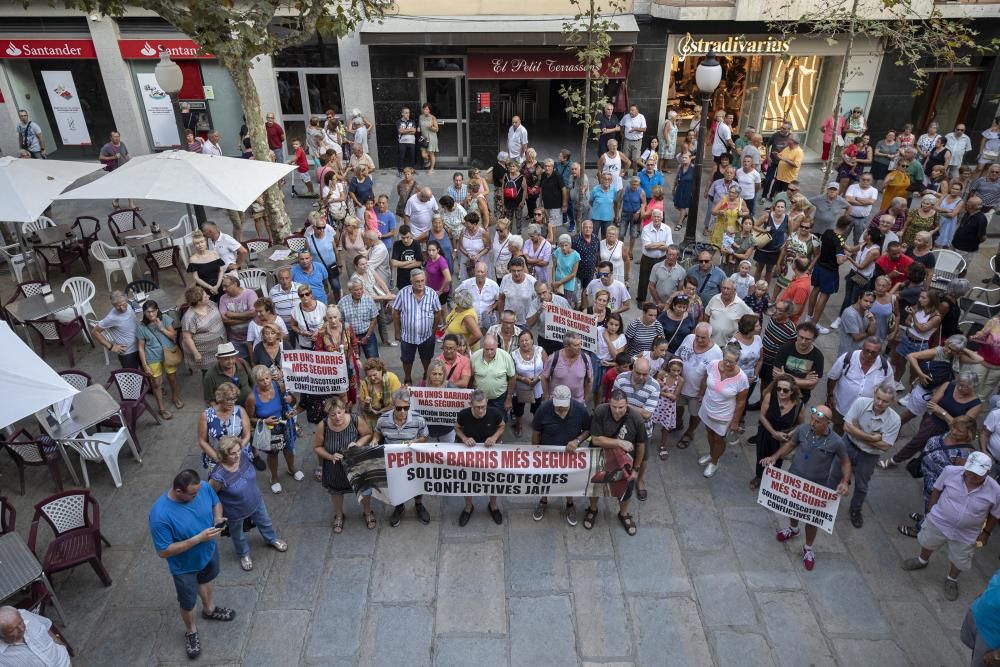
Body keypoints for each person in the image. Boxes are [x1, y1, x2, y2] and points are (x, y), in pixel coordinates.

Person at [149, 469, 236, 659]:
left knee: (207, 580)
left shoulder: (203, 487)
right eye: (193, 494)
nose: (197, 496)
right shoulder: (160, 515)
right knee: (188, 602)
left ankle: (210, 610)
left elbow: (216, 503)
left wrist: (218, 518)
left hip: (208, 552)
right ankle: (191, 631)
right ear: (178, 491)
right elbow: (163, 551)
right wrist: (197, 539)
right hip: (184, 567)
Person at [901, 451, 1000, 601]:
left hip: (967, 533)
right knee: (928, 541)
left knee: (960, 558)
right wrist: (932, 509)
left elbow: (995, 514)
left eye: (977, 474)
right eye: (970, 472)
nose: (971, 476)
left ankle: (952, 579)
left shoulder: (995, 490)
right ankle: (922, 560)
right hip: (939, 521)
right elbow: (937, 489)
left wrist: (986, 533)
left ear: (987, 472)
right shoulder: (950, 472)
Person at [761, 404, 850, 571]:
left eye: (818, 421)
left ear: (827, 423)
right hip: (795, 480)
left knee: (811, 519)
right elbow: (791, 445)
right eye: (812, 419)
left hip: (816, 487)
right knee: (792, 508)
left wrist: (844, 481)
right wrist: (775, 457)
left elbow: (845, 462)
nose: (813, 423)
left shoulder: (836, 442)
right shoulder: (802, 429)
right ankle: (793, 528)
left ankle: (808, 548)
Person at [208, 436, 287, 572]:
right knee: (237, 534)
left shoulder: (243, 456)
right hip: (234, 510)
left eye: (238, 451)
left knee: (265, 522)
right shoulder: (218, 476)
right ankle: (243, 554)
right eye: (232, 453)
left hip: (255, 499)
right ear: (223, 454)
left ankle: (271, 539)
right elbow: (211, 496)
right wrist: (218, 516)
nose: (237, 455)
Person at [586, 389, 646, 536]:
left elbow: (641, 445)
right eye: (614, 406)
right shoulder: (600, 411)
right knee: (594, 486)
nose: (617, 411)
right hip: (600, 455)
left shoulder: (636, 419)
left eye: (621, 407)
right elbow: (596, 439)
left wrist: (636, 470)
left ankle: (623, 514)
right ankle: (593, 509)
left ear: (627, 405)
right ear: (609, 404)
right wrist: (619, 443)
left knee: (626, 489)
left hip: (624, 461)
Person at [314, 396, 376, 533]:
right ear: (328, 414)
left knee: (364, 489)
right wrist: (330, 456)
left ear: (344, 410)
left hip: (356, 464)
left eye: (339, 412)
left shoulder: (355, 419)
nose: (337, 417)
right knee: (335, 492)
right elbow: (317, 447)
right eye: (332, 414)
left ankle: (367, 512)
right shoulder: (322, 425)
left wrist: (358, 444)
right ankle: (339, 515)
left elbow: (367, 434)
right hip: (335, 466)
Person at [531, 384, 590, 525]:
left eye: (563, 406)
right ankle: (543, 500)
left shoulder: (580, 410)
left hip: (570, 454)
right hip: (548, 452)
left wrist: (577, 440)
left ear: (570, 400)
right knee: (545, 478)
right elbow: (536, 432)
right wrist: (534, 451)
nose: (561, 408)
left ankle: (570, 504)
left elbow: (588, 430)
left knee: (569, 478)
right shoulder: (544, 409)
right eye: (558, 406)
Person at [695, 343, 749, 477]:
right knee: (709, 433)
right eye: (726, 360)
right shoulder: (713, 364)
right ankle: (712, 453)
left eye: (732, 362)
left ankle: (714, 461)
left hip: (724, 415)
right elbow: (705, 379)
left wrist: (735, 422)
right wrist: (701, 394)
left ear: (737, 362)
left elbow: (741, 401)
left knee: (718, 438)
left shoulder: (742, 378)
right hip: (707, 407)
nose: (728, 364)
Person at [455, 389, 507, 526]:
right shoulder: (463, 414)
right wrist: (464, 438)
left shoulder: (494, 413)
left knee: (493, 479)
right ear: (470, 404)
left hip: (489, 452)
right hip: (470, 453)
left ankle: (493, 506)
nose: (480, 410)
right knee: (467, 480)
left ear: (487, 403)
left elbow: (502, 426)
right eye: (477, 407)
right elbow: (457, 428)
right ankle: (468, 507)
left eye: (483, 407)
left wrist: (494, 437)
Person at [825, 337, 892, 432]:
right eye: (867, 351)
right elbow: (832, 377)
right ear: (862, 348)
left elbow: (889, 388)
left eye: (873, 353)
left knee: (857, 431)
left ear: (879, 353)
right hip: (841, 405)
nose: (869, 355)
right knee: (838, 427)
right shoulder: (848, 358)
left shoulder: (885, 366)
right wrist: (830, 395)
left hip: (865, 411)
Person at [673, 323, 723, 450]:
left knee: (695, 414)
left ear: (710, 337)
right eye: (697, 336)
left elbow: (716, 376)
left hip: (697, 393)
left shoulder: (716, 352)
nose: (699, 340)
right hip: (679, 386)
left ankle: (690, 432)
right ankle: (677, 422)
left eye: (703, 338)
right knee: (678, 406)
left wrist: (704, 393)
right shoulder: (689, 338)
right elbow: (677, 355)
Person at [803, 215, 851, 333]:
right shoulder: (838, 241)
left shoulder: (828, 232)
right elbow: (839, 260)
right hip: (830, 271)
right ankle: (814, 324)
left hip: (819, 266)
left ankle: (808, 317)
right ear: (846, 227)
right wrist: (846, 257)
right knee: (824, 296)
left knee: (815, 290)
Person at [137, 300, 184, 419]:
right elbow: (141, 348)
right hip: (152, 357)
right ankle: (162, 408)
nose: (151, 314)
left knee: (172, 379)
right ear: (144, 313)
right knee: (157, 384)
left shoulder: (165, 319)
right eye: (148, 312)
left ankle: (175, 397)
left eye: (153, 311)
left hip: (168, 353)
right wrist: (144, 365)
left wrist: (161, 328)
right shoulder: (141, 326)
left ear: (157, 310)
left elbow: (173, 336)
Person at [0, 605, 70, 665]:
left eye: (20, 622)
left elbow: (47, 625)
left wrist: (60, 644)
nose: (21, 629)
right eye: (12, 630)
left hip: (64, 661)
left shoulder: (24, 613)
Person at [774, 321, 824, 404]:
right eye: (801, 337)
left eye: (807, 339)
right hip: (780, 392)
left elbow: (812, 385)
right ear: (797, 334)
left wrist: (785, 376)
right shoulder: (785, 348)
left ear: (813, 339)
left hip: (800, 397)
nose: (803, 341)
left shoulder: (818, 356)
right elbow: (776, 376)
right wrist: (804, 380)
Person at [91, 290, 140, 368]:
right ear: (113, 305)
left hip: (140, 346)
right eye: (118, 306)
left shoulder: (130, 305)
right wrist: (110, 346)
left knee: (146, 373)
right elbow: (95, 332)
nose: (122, 308)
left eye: (123, 304)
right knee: (133, 376)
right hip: (128, 353)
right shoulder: (111, 318)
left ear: (126, 300)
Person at [470, 334, 515, 415]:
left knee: (500, 421)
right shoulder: (475, 357)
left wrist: (509, 399)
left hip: (499, 398)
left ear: (496, 346)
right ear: (483, 347)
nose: (489, 352)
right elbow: (471, 377)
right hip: (479, 398)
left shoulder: (505, 357)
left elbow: (512, 377)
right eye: (487, 349)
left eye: (492, 349)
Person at [703, 279, 752, 346]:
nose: (725, 291)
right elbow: (706, 315)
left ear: (734, 290)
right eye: (724, 288)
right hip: (710, 342)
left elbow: (752, 318)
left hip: (729, 345)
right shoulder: (715, 299)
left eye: (728, 289)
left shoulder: (740, 304)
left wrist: (742, 334)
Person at [497, 258, 537, 329]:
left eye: (519, 270)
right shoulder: (505, 279)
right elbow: (501, 299)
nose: (516, 273)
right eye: (513, 271)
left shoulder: (532, 282)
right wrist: (501, 317)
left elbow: (537, 302)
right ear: (510, 270)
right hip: (508, 320)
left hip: (525, 322)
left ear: (523, 270)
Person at [836, 289, 877, 357]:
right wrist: (868, 333)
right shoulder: (850, 314)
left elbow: (872, 333)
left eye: (871, 302)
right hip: (848, 354)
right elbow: (856, 337)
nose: (868, 304)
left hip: (860, 352)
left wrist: (873, 322)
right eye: (866, 300)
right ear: (859, 299)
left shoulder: (867, 312)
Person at [391, 224, 424, 290]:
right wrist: (411, 261)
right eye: (403, 238)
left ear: (411, 234)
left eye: (407, 237)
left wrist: (400, 265)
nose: (405, 240)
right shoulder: (397, 244)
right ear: (400, 235)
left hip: (416, 278)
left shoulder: (416, 244)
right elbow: (394, 263)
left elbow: (419, 263)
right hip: (402, 279)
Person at [418, 103, 439, 173]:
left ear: (429, 110)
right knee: (423, 154)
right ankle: (429, 161)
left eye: (427, 109)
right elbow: (419, 125)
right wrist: (418, 128)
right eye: (424, 109)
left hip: (431, 137)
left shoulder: (433, 117)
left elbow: (437, 129)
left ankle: (432, 169)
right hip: (423, 138)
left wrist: (430, 127)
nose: (425, 110)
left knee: (431, 153)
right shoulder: (421, 117)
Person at [396, 107, 417, 175]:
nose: (408, 114)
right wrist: (409, 129)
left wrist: (404, 131)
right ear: (402, 113)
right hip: (402, 142)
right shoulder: (399, 122)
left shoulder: (412, 121)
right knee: (401, 157)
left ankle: (412, 170)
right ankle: (400, 171)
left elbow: (414, 131)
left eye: (409, 113)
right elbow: (400, 131)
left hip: (411, 141)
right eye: (406, 113)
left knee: (412, 156)